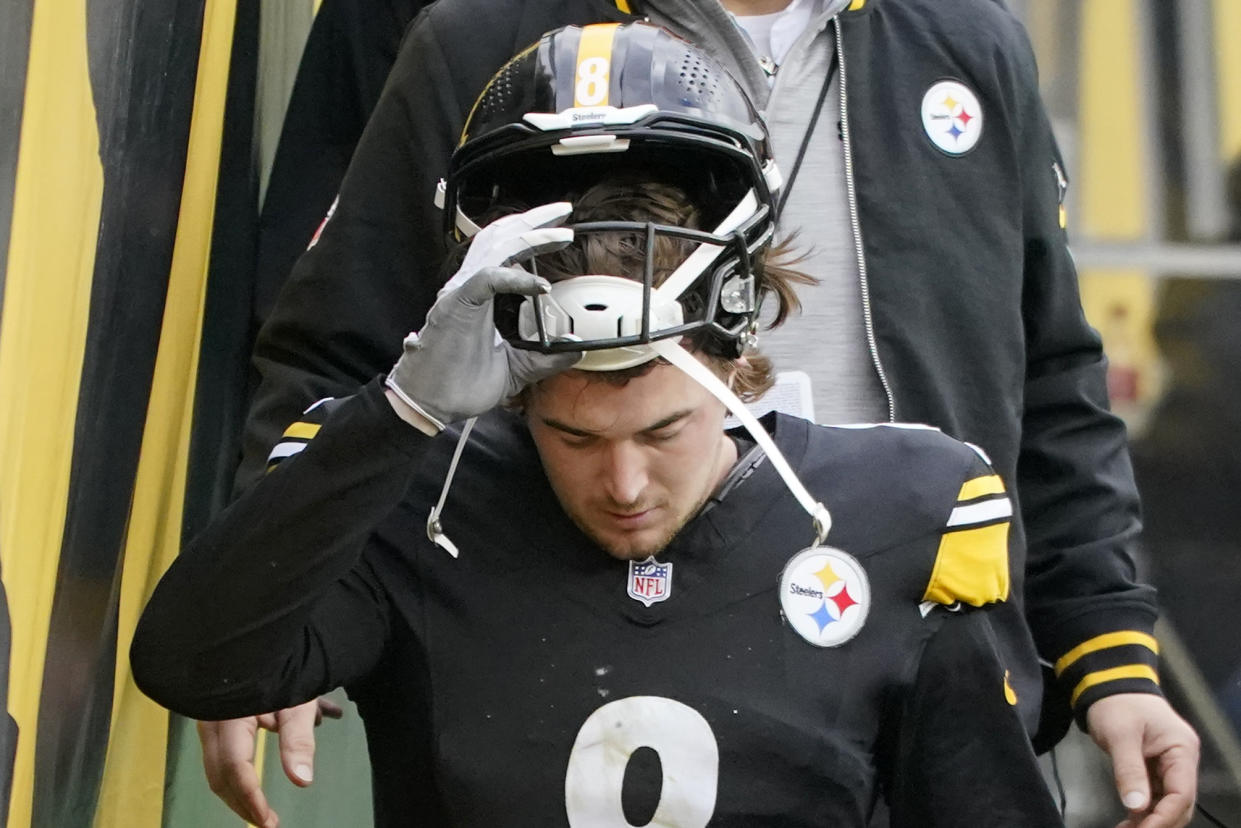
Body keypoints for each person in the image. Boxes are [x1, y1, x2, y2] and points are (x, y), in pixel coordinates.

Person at [218, 1, 1198, 826]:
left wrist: (1110, 657)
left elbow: (1051, 387)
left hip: (905, 686)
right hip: (554, 672)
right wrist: (280, 592)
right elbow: (334, 359)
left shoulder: (966, 38)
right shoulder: (484, 35)